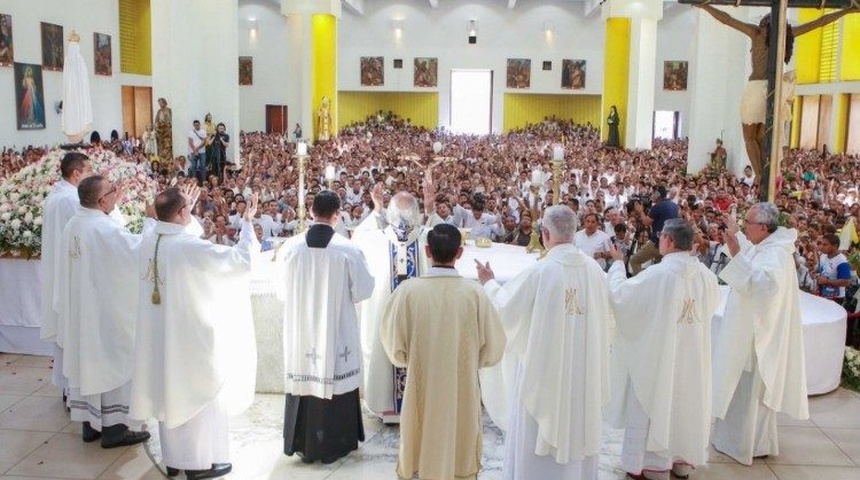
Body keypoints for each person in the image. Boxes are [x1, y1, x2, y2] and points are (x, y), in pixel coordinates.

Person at [130, 188, 259, 480]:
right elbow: (241, 262)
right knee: (194, 393)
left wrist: (182, 206)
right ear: (181, 214)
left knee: (167, 392)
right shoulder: (187, 247)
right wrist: (248, 223)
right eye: (188, 208)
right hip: (188, 339)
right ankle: (198, 465)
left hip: (159, 336)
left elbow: (173, 226)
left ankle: (173, 460)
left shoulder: (149, 240)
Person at [476, 205, 611, 480]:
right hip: (584, 371)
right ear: (574, 233)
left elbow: (506, 310)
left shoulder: (541, 271)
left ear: (545, 233)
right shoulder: (595, 271)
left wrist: (489, 283)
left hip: (544, 372)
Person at [380, 224, 506, 480]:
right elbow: (494, 348)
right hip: (461, 388)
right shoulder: (475, 293)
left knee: (420, 446)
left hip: (421, 385)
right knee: (460, 448)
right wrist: (473, 360)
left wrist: (410, 360)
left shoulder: (409, 291)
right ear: (460, 253)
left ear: (427, 251)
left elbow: (393, 345)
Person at [605, 219, 721, 480]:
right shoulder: (706, 276)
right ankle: (681, 461)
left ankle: (651, 464)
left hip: (658, 357)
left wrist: (615, 265)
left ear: (668, 241)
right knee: (685, 402)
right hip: (692, 356)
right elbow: (710, 307)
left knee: (655, 400)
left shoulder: (658, 274)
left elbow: (622, 297)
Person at [696, 4, 858, 177]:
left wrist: (703, 6)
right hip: (775, 90)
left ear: (765, 23)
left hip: (756, 87)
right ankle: (766, 175)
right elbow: (820, 22)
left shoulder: (757, 33)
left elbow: (727, 19)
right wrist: (846, 11)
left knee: (749, 137)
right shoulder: (786, 35)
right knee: (762, 137)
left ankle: (758, 175)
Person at [277, 191, 375, 464]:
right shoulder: (348, 249)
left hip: (301, 329)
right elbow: (365, 290)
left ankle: (301, 442)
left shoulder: (291, 248)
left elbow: (280, 291)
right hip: (336, 329)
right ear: (338, 213)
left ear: (310, 212)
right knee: (336, 376)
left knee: (304, 377)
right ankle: (336, 443)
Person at [56, 176, 151, 448]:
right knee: (113, 361)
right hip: (105, 313)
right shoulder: (102, 228)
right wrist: (151, 221)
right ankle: (116, 429)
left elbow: (110, 239)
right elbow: (137, 252)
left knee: (89, 364)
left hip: (82, 310)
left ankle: (91, 425)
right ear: (101, 201)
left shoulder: (75, 223)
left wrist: (115, 206)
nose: (116, 193)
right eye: (112, 191)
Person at [711, 202, 807, 465]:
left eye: (747, 225)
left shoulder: (776, 253)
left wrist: (735, 250)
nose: (745, 228)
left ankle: (747, 444)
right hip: (749, 332)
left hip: (756, 340)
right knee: (739, 391)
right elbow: (750, 258)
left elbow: (764, 287)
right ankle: (735, 440)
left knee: (749, 394)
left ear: (764, 227)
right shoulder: (766, 246)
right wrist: (736, 238)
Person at [352, 183, 430, 423]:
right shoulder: (427, 237)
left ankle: (386, 404)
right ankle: (418, 406)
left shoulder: (374, 239)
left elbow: (356, 239)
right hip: (419, 316)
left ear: (390, 213)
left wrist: (376, 210)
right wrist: (431, 211)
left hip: (384, 316)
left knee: (385, 346)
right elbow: (449, 240)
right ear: (416, 213)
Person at [40, 152, 94, 398]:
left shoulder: (56, 195)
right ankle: (74, 390)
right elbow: (81, 235)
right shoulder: (70, 200)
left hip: (58, 269)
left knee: (65, 331)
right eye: (89, 171)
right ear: (76, 173)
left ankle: (67, 387)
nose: (91, 175)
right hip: (70, 273)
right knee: (71, 331)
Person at [629, 185, 680, 275]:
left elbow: (646, 222)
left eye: (652, 193)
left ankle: (640, 285)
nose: (651, 195)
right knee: (659, 269)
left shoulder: (658, 206)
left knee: (634, 261)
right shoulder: (674, 205)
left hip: (658, 243)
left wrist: (641, 211)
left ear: (657, 194)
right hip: (670, 244)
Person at [815, 233, 851, 305]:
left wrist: (827, 281)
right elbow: (822, 269)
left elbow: (846, 282)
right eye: (821, 244)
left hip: (836, 298)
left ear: (835, 246)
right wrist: (814, 272)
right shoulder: (823, 256)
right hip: (823, 293)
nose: (822, 247)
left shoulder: (842, 261)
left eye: (825, 245)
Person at [188, 119, 208, 185]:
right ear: (193, 125)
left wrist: (197, 148)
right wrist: (195, 150)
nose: (196, 126)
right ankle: (194, 180)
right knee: (193, 166)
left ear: (200, 124)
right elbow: (190, 142)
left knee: (203, 165)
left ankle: (204, 181)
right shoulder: (191, 132)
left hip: (202, 151)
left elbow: (204, 142)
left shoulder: (203, 132)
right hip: (193, 152)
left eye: (198, 124)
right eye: (195, 125)